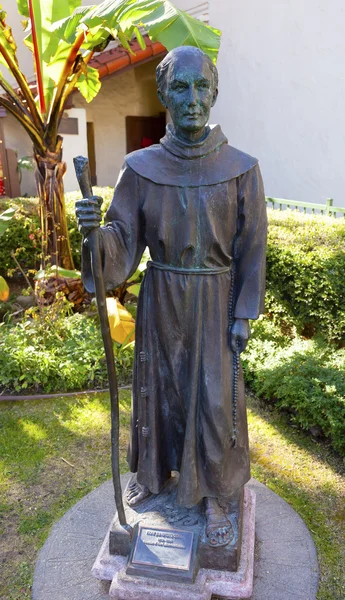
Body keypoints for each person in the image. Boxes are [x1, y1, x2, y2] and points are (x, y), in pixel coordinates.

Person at [76, 46, 267, 549]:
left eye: (201, 87)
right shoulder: (141, 168)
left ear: (215, 93)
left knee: (213, 401)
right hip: (161, 299)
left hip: (216, 301)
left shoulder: (242, 168)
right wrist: (97, 238)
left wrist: (244, 312)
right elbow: (120, 242)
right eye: (179, 88)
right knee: (158, 392)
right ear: (162, 94)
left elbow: (252, 252)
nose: (191, 99)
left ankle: (219, 495)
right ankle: (155, 474)